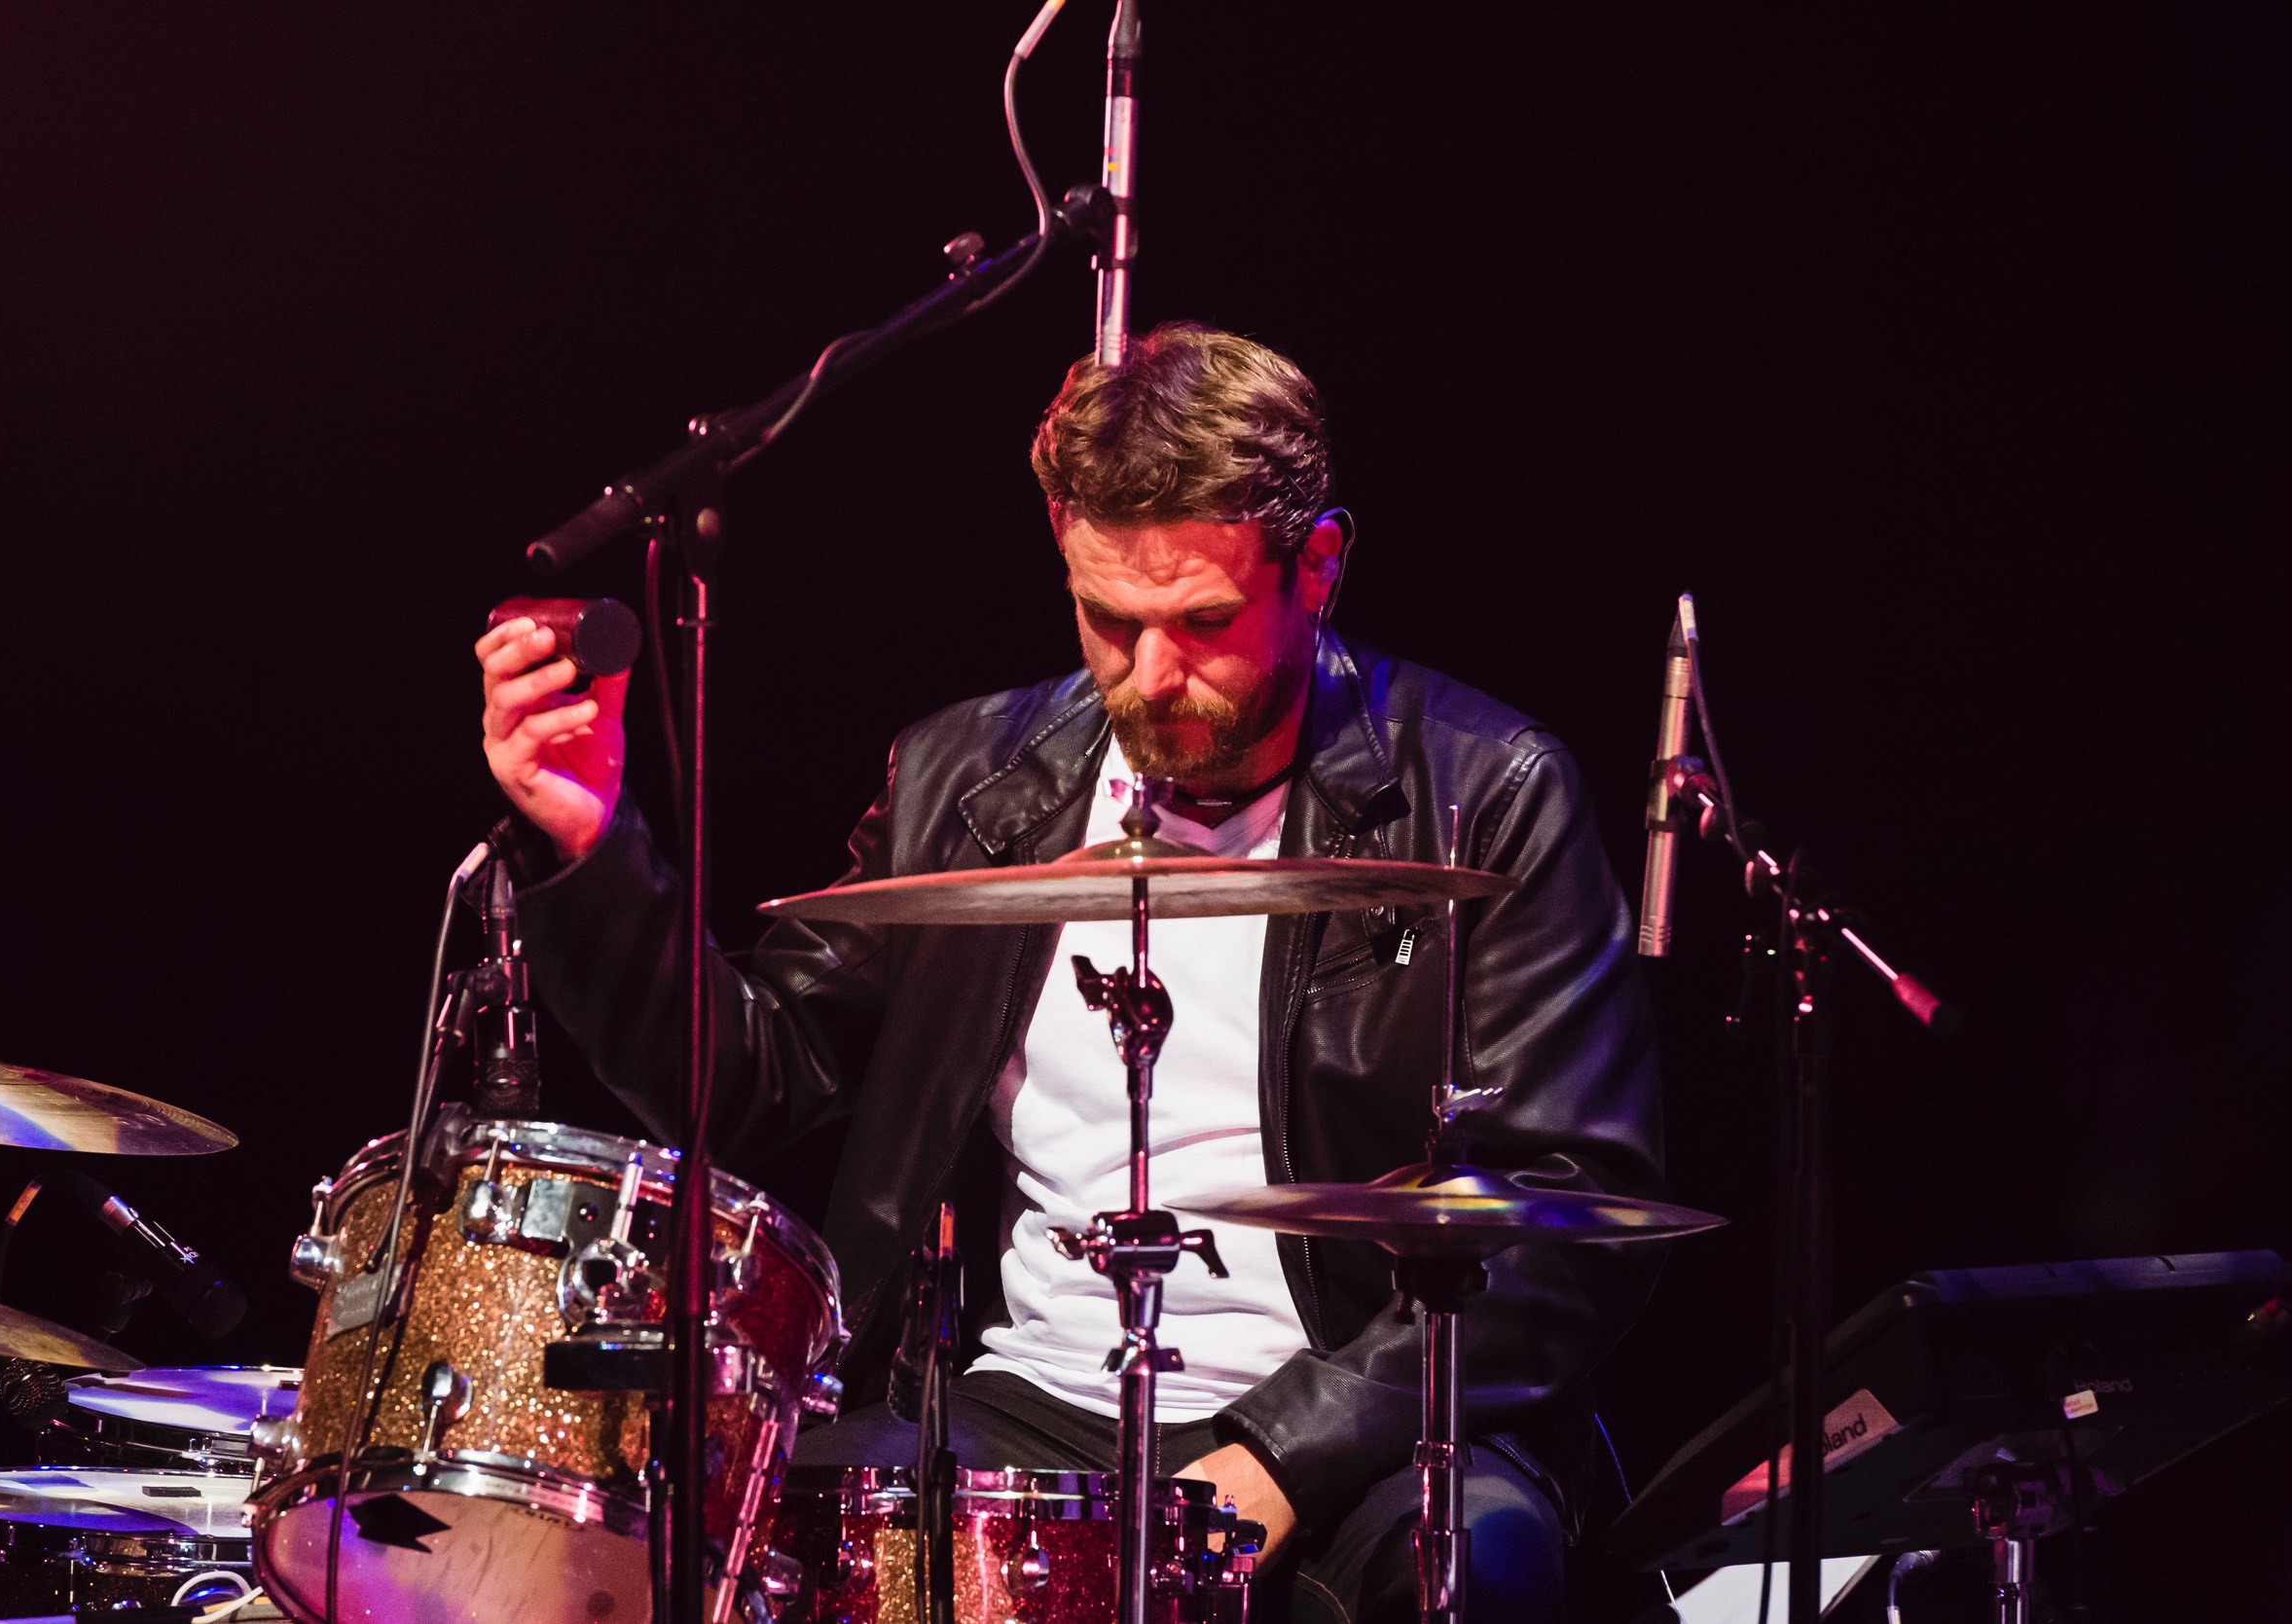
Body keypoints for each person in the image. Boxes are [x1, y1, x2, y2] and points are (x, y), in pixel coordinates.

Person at [477, 322, 1664, 1621]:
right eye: (1110, 620)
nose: (1153, 679)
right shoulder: (963, 778)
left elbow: (1569, 1211)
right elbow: (754, 1084)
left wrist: (1281, 1453)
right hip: (1028, 1405)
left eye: (1205, 623)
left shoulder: (1489, 793)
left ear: (1318, 564)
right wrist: (590, 844)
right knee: (721, 1546)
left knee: (1476, 1569)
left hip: (1364, 1418)